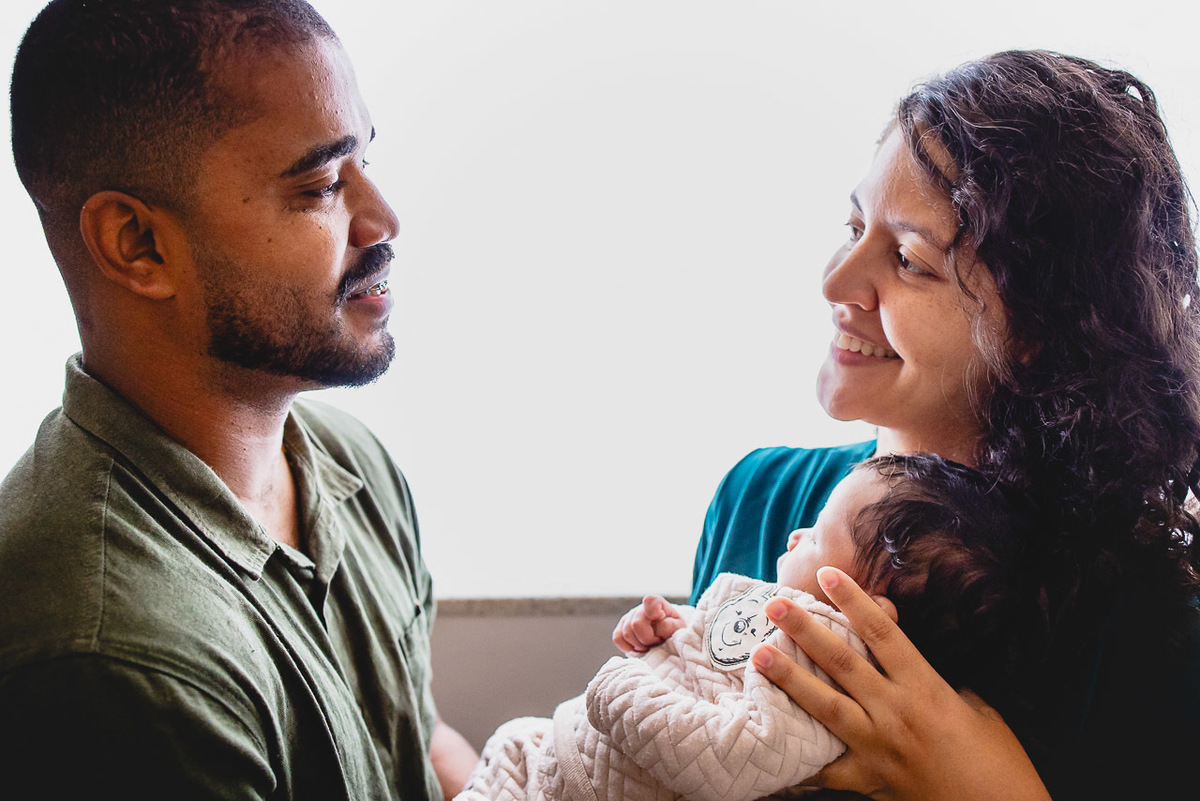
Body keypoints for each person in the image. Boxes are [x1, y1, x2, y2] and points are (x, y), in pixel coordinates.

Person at [690, 50, 1200, 800]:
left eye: (908, 259)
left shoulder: (1151, 621)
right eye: (854, 224)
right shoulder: (756, 497)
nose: (835, 282)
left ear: (1037, 326)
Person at [0, 1, 478, 798]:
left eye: (364, 161)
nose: (382, 218)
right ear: (138, 245)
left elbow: (423, 745)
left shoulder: (349, 461)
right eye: (322, 183)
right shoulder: (110, 659)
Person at [457, 453, 1041, 801]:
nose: (792, 537)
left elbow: (731, 754)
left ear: (866, 605)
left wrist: (621, 686)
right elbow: (713, 667)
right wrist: (666, 631)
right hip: (555, 754)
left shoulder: (830, 672)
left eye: (816, 536)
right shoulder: (782, 612)